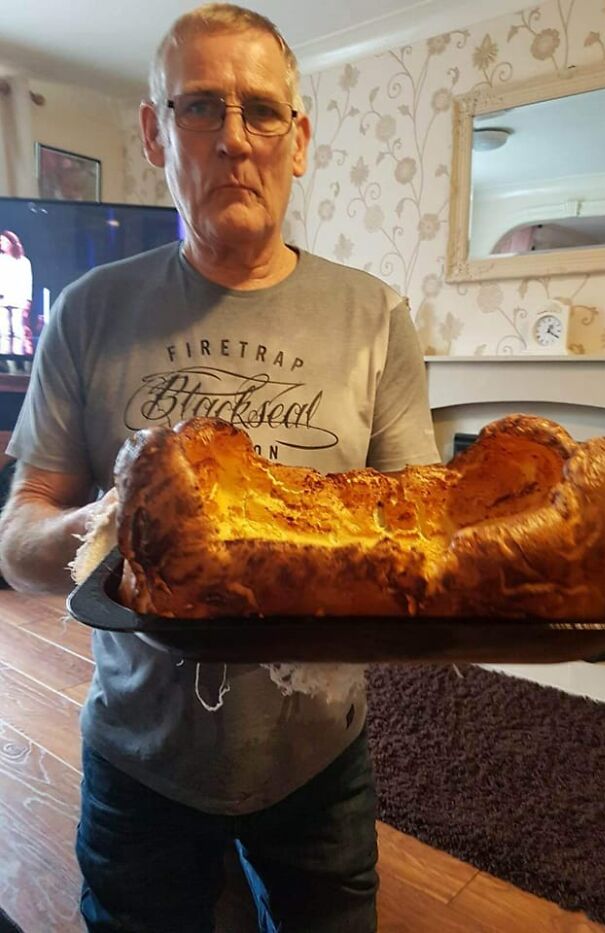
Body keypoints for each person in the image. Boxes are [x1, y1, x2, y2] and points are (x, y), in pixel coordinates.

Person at [0, 4, 440, 931]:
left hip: (321, 756)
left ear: (301, 138)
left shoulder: (376, 318)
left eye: (262, 111)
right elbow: (18, 535)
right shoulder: (85, 312)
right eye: (201, 107)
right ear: (156, 135)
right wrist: (110, 526)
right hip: (138, 757)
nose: (235, 140)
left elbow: (417, 522)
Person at [0, 229, 33, 356]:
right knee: (4, 332)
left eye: (3, 240)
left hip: (18, 301)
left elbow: (28, 282)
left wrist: (27, 300)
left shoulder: (23, 261)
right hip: (2, 301)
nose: (1, 243)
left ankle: (18, 358)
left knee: (18, 332)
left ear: (11, 242)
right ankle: (4, 360)